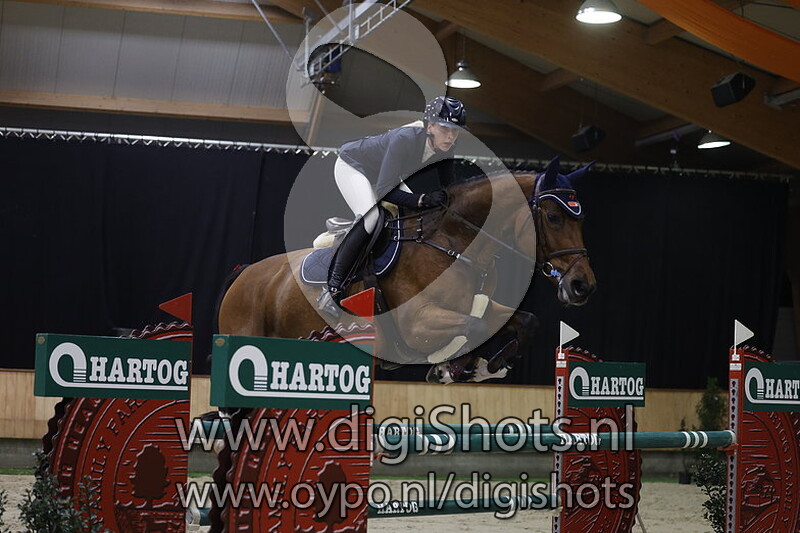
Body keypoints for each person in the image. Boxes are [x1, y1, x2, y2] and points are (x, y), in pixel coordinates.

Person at [327, 95, 467, 303]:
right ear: (429, 126)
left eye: (455, 131)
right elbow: (385, 190)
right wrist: (421, 200)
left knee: (414, 216)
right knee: (372, 218)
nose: (450, 137)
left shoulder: (447, 148)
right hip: (354, 166)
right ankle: (334, 284)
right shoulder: (404, 138)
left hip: (383, 176)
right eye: (444, 129)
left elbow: (449, 189)